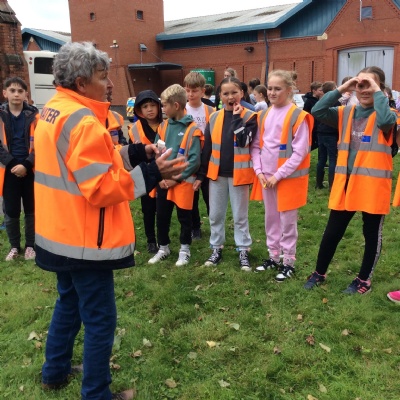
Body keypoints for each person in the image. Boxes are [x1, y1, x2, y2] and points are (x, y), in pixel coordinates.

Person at [35, 42, 187, 400]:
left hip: (58, 232)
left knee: (68, 303)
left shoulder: (54, 110)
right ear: (81, 81)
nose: (109, 84)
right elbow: (100, 187)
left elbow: (89, 161)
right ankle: (96, 393)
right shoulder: (83, 121)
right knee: (100, 318)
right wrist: (152, 173)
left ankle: (54, 371)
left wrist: (134, 152)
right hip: (85, 239)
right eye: (103, 76)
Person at [304, 66, 397, 294]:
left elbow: (386, 122)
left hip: (372, 186)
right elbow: (318, 110)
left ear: (380, 88)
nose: (364, 89)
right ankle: (319, 272)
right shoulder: (345, 113)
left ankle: (364, 280)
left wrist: (377, 92)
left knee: (371, 234)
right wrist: (343, 88)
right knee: (332, 231)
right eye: (360, 85)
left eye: (370, 85)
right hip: (346, 184)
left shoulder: (389, 113)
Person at [251, 70, 312, 281]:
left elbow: (300, 152)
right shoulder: (263, 114)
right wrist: (259, 171)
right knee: (271, 219)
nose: (272, 92)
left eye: (278, 89)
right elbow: (256, 146)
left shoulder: (297, 116)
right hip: (266, 178)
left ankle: (288, 262)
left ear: (289, 90)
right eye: (270, 88)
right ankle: (274, 256)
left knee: (287, 222)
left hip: (287, 179)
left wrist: (278, 175)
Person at [194, 76, 257, 271]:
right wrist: (201, 175)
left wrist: (237, 118)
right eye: (226, 93)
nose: (230, 97)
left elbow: (245, 140)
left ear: (242, 93)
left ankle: (243, 249)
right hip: (217, 175)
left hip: (239, 175)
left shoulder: (250, 116)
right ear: (220, 96)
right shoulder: (214, 117)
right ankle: (216, 247)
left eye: (234, 92)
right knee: (215, 214)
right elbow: (208, 148)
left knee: (240, 215)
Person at [148, 84, 201, 266]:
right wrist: (161, 177)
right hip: (163, 182)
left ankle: (185, 250)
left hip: (182, 183)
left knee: (184, 218)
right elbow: (157, 151)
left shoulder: (193, 129)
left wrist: (175, 179)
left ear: (176, 105)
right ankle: (163, 247)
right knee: (161, 216)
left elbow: (194, 160)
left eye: (164, 105)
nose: (162, 109)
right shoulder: (163, 126)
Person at [0, 76, 38, 261]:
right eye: (12, 90)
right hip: (9, 171)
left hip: (31, 170)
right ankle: (14, 246)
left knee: (31, 209)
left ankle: (31, 245)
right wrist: (14, 164)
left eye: (20, 91)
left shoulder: (35, 117)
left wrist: (27, 164)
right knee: (11, 211)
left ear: (26, 95)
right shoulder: (1, 116)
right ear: (5, 93)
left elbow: (42, 143)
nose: (16, 94)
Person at [128, 90, 163, 254]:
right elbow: (131, 154)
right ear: (139, 110)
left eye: (152, 105)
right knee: (148, 209)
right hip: (145, 172)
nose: (149, 109)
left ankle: (163, 239)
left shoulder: (167, 124)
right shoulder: (134, 129)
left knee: (162, 209)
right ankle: (151, 240)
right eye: (145, 106)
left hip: (163, 172)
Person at [184, 71, 214, 239]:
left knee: (210, 196)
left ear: (203, 91)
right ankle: (195, 227)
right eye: (187, 90)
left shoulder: (211, 110)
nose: (190, 94)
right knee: (191, 196)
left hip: (208, 159)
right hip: (190, 159)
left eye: (194, 91)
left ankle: (215, 226)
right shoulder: (182, 110)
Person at [315, 81, 340, 190]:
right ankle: (332, 184)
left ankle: (318, 183)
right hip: (331, 133)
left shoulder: (321, 102)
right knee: (332, 159)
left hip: (321, 132)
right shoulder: (336, 103)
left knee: (322, 158)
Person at [303, 81, 323, 151]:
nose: (322, 92)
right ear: (314, 91)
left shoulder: (320, 99)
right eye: (320, 90)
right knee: (314, 142)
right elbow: (305, 112)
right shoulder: (309, 101)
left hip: (319, 124)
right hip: (313, 125)